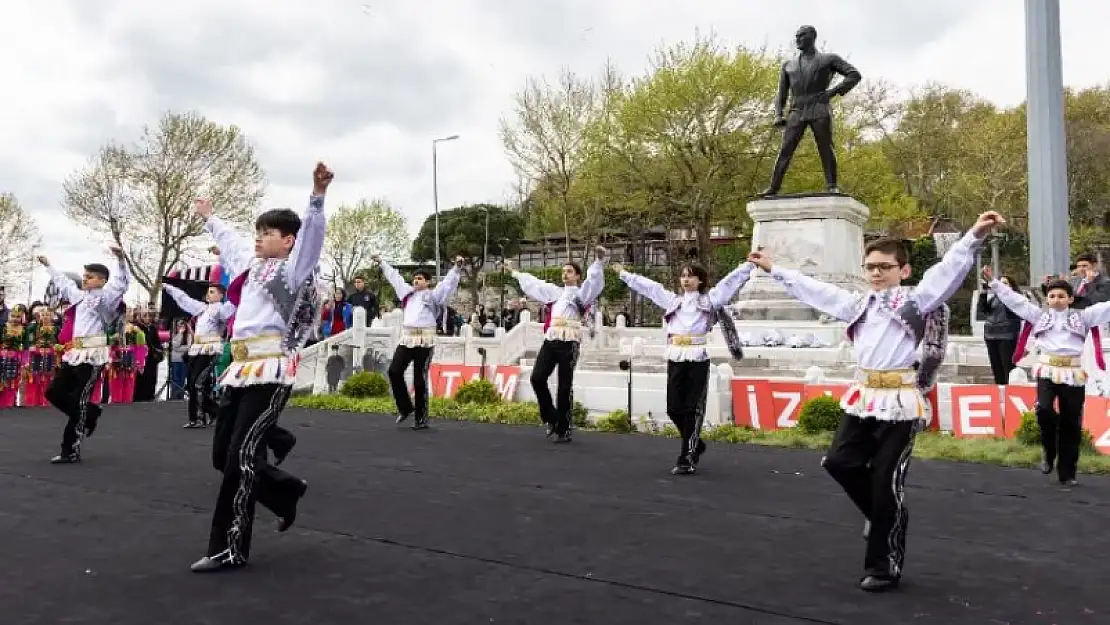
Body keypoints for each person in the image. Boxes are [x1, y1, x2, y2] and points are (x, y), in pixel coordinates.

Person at [747, 210, 1003, 592]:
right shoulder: (858, 304)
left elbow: (947, 270)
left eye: (884, 266)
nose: (876, 273)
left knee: (886, 482)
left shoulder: (918, 301)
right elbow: (815, 290)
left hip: (901, 401)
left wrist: (974, 235)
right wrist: (774, 268)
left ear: (904, 270)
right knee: (839, 463)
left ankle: (883, 566)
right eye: (869, 267)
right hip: (864, 397)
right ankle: (883, 514)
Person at [188, 162, 332, 573]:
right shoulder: (250, 268)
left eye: (268, 232)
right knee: (223, 457)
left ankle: (228, 548)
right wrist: (208, 216)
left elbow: (312, 239)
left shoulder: (293, 269)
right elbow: (231, 241)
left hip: (271, 372)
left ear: (288, 241)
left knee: (241, 457)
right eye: (259, 231)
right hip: (239, 368)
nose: (259, 237)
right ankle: (285, 490)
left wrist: (317, 196)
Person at [615, 260, 750, 474]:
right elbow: (651, 288)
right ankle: (695, 443)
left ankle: (686, 457)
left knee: (693, 408)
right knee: (673, 408)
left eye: (691, 276)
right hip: (676, 355)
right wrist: (625, 274)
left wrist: (748, 266)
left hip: (697, 356)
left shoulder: (709, 300)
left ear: (700, 280)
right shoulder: (673, 301)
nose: (686, 279)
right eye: (683, 276)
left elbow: (728, 284)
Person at [985, 267, 1110, 486]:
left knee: (1071, 422)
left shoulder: (1084, 317)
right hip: (1047, 370)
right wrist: (995, 284)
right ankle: (1049, 449)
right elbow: (1016, 302)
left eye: (1062, 296)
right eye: (1052, 296)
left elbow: (1106, 308)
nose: (1056, 300)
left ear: (1070, 298)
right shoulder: (1039, 316)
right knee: (1043, 409)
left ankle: (1067, 471)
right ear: (1047, 299)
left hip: (1073, 373)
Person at [39, 245, 130, 463]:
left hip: (93, 356)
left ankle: (70, 449)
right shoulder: (79, 296)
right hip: (75, 353)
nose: (85, 280)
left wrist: (121, 260)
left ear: (101, 280)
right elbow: (63, 282)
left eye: (90, 277)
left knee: (79, 399)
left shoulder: (107, 298)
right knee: (54, 392)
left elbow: (122, 283)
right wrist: (49, 265)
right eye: (85, 276)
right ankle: (91, 413)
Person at [507, 247, 607, 442]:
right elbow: (534, 285)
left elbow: (593, 283)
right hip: (551, 339)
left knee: (564, 386)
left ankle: (564, 428)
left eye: (569, 271)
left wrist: (598, 261)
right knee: (537, 378)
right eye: (563, 271)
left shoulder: (581, 295)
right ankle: (552, 418)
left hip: (569, 341)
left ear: (577, 276)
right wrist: (514, 271)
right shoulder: (555, 293)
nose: (565, 274)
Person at [375, 254, 463, 430]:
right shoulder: (407, 294)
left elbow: (447, 285)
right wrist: (382, 263)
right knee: (394, 371)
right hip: (407, 338)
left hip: (425, 340)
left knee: (419, 379)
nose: (416, 281)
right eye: (415, 278)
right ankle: (405, 408)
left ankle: (421, 419)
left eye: (420, 278)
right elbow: (395, 278)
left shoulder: (433, 296)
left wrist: (456, 268)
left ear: (427, 282)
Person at [162, 282, 234, 427]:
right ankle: (201, 416)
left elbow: (231, 306)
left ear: (221, 295)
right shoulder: (202, 309)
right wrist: (169, 288)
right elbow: (184, 299)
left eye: (213, 292)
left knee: (197, 383)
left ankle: (205, 416)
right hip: (197, 349)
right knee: (192, 384)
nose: (209, 294)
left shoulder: (221, 309)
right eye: (208, 291)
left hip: (210, 350)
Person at [978, 274, 1022, 384]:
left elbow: (1018, 314)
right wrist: (984, 292)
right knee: (996, 367)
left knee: (1007, 365)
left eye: (1005, 283)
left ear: (1012, 286)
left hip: (1007, 336)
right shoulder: (994, 298)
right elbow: (982, 309)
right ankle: (1000, 390)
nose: (1001, 285)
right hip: (991, 335)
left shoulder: (1016, 298)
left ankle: (1010, 391)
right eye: (1000, 283)